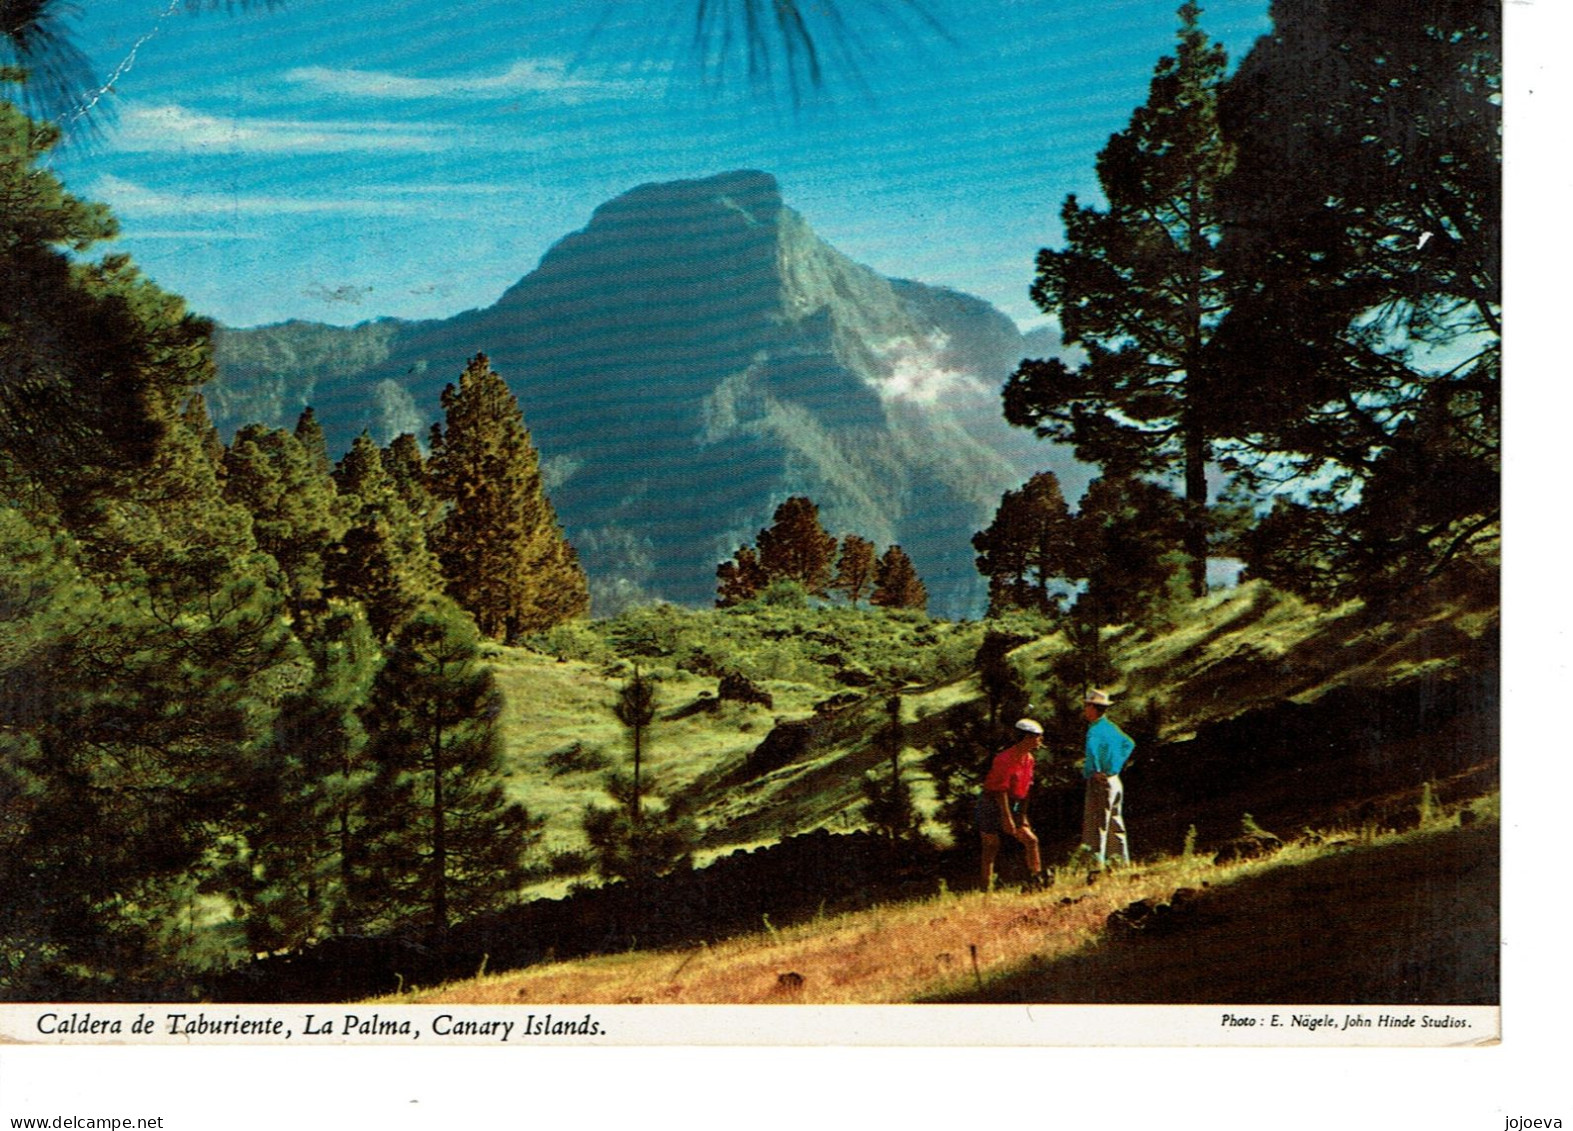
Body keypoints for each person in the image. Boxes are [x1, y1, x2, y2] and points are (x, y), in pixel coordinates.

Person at [977, 718, 1045, 890]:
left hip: (1014, 803)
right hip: (992, 804)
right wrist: (1007, 818)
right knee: (991, 845)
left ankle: (1036, 879)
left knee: (1031, 840)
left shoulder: (1029, 760)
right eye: (1037, 737)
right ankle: (986, 887)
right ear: (1026, 738)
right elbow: (1000, 791)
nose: (1040, 741)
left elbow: (1026, 789)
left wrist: (1022, 817)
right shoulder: (1004, 759)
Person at [1080, 689, 1135, 869]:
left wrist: (1096, 770)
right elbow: (1128, 744)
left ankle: (1096, 867)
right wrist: (1116, 766)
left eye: (1086, 706)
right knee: (1115, 823)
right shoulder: (1111, 728)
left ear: (1093, 708)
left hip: (1100, 781)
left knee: (1097, 826)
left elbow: (1093, 754)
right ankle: (1120, 863)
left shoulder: (1094, 731)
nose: (1084, 710)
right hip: (1114, 780)